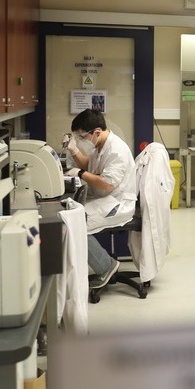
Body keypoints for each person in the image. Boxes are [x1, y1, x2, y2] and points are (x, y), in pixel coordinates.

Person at [63, 109, 138, 289]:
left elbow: (106, 185)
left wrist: (80, 173)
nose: (81, 140)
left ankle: (106, 266)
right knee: (68, 216)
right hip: (103, 198)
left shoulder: (116, 151)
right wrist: (73, 150)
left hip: (117, 204)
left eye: (82, 137)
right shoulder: (100, 145)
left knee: (74, 224)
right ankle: (100, 264)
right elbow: (89, 166)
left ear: (96, 132)